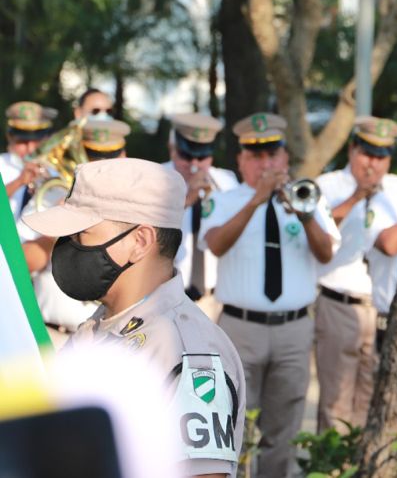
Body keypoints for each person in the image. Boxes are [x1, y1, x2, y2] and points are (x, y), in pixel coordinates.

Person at [22, 158, 247, 477]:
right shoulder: (102, 324)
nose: (67, 247)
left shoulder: (190, 353)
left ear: (139, 242)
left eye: (80, 234)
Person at [201, 112, 340, 478]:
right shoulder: (227, 200)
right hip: (239, 327)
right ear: (241, 160)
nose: (265, 163)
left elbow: (326, 253)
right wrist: (255, 202)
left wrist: (306, 215)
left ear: (284, 159)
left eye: (272, 154)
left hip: (293, 329)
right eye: (255, 155)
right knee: (234, 425)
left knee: (284, 431)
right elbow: (215, 245)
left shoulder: (307, 197)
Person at [314, 116, 397, 431]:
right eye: (368, 154)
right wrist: (357, 197)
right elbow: (320, 233)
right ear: (352, 149)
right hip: (339, 303)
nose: (374, 164)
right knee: (336, 405)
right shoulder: (328, 185)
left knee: (368, 404)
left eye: (382, 157)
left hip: (379, 309)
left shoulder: (394, 189)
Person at [31, 117, 132, 346]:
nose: (101, 168)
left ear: (124, 156)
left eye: (110, 158)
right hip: (54, 336)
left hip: (111, 341)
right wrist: (57, 223)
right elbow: (22, 263)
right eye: (93, 157)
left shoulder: (134, 208)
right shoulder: (51, 195)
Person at [164, 113, 239, 319]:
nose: (194, 165)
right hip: (169, 298)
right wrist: (186, 200)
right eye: (186, 156)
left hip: (214, 299)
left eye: (202, 157)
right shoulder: (157, 178)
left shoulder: (227, 182)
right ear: (173, 149)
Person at [1, 101, 56, 221]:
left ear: (46, 138)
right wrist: (19, 182)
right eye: (23, 142)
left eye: (37, 141)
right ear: (10, 137)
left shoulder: (56, 171)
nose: (31, 148)